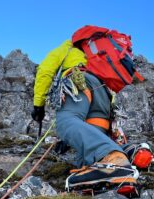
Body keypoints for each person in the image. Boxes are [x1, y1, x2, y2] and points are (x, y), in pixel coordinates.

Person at [31, 38, 140, 190]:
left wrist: (38, 105)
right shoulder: (97, 57)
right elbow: (86, 132)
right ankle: (126, 159)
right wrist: (69, 138)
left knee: (66, 122)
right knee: (90, 148)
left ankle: (116, 161)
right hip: (105, 95)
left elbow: (45, 70)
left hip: (80, 82)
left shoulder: (68, 47)